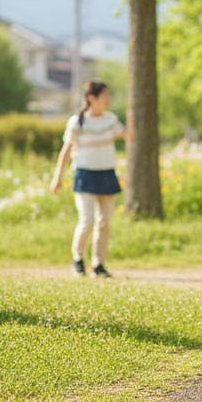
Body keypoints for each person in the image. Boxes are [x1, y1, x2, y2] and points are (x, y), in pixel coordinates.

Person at [50, 80, 129, 278]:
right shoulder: (77, 122)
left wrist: (132, 123)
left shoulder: (110, 119)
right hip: (84, 175)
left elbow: (128, 136)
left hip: (107, 174)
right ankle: (77, 259)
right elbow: (66, 151)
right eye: (104, 96)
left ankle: (98, 264)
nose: (108, 99)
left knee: (104, 223)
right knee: (88, 220)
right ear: (91, 98)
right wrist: (57, 177)